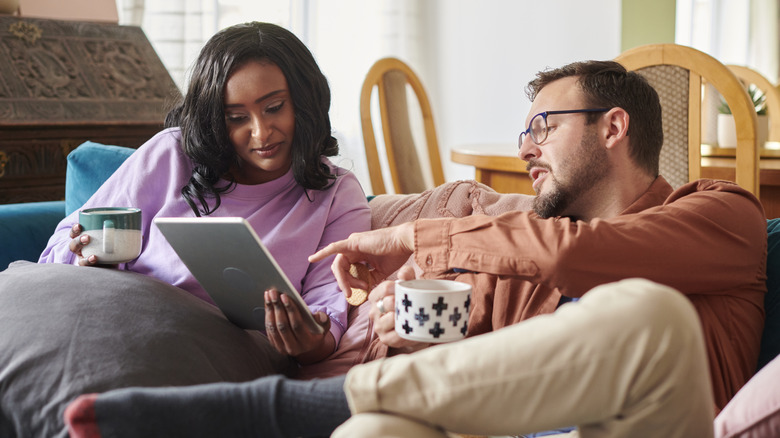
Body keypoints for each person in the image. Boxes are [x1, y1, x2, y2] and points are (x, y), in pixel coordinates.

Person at [62, 59, 765, 437]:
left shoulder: (721, 215)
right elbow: (486, 355)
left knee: (648, 313)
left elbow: (568, 253)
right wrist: (417, 339)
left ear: (614, 127)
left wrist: (405, 235)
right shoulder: (517, 260)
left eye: (543, 125)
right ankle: (325, 412)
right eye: (522, 133)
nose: (524, 149)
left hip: (635, 428)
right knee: (376, 433)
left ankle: (268, 410)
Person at [38, 21, 371, 365]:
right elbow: (58, 249)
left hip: (218, 360)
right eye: (237, 118)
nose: (261, 132)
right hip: (110, 324)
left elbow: (329, 309)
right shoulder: (171, 155)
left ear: (304, 102)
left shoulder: (336, 194)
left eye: (274, 108)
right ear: (215, 119)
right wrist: (81, 256)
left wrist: (310, 341)